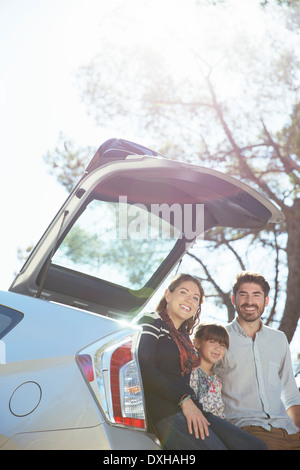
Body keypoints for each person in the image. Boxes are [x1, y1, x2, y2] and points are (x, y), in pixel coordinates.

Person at [137, 274, 267, 450]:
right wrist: (184, 400)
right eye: (184, 292)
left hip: (193, 408)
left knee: (256, 446)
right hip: (166, 411)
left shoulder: (185, 341)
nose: (189, 300)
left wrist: (191, 405)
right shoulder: (152, 320)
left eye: (195, 298)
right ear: (168, 295)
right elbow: (143, 367)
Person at [215, 270, 300, 450]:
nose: (249, 302)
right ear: (233, 299)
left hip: (288, 430)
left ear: (266, 301)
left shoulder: (278, 339)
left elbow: (290, 391)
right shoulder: (219, 338)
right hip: (248, 430)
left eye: (256, 295)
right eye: (243, 295)